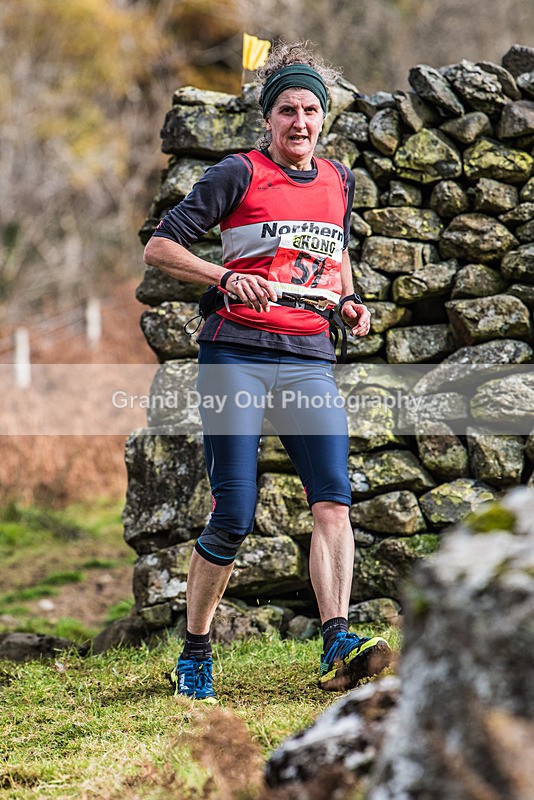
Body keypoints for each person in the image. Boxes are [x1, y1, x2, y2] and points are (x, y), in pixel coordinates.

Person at [143, 41, 392, 702]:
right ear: (269, 119)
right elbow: (161, 246)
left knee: (334, 501)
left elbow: (334, 260)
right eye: (288, 110)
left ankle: (336, 636)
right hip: (237, 356)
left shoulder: (339, 181)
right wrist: (226, 276)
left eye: (311, 109)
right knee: (234, 514)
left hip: (310, 357)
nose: (301, 122)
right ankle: (196, 650)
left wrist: (349, 303)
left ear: (324, 118)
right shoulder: (237, 173)